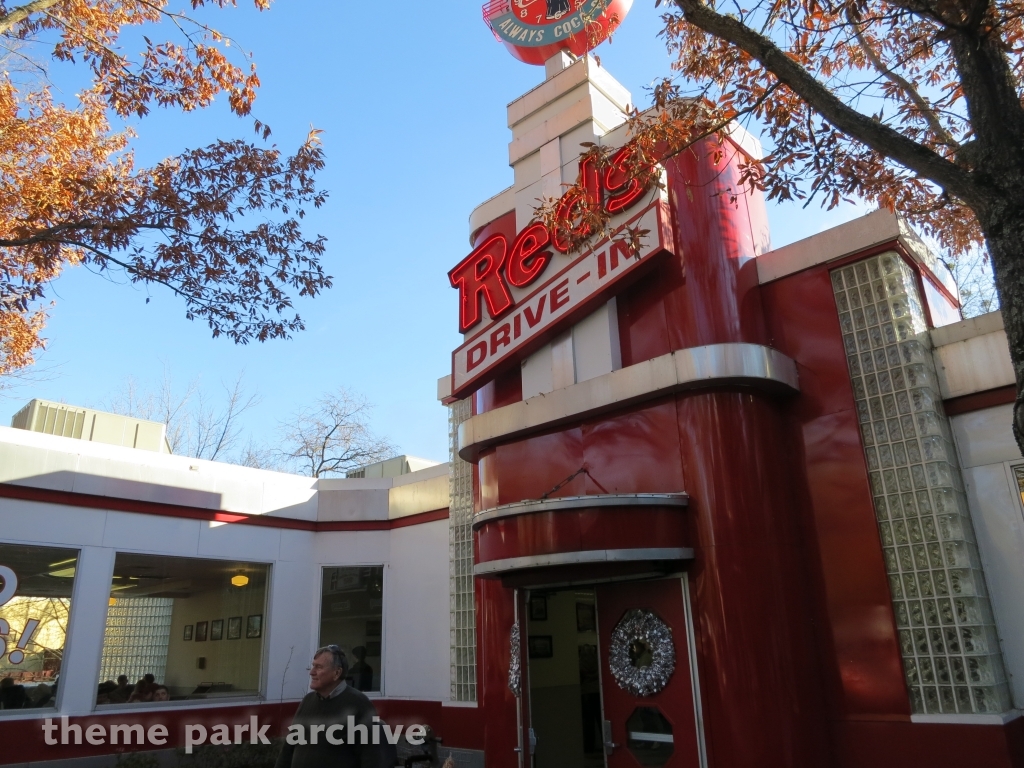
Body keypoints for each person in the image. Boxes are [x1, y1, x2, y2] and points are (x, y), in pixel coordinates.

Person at [274, 646, 380, 768]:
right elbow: (289, 748)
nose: (311, 672)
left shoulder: (360, 704)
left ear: (337, 673)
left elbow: (372, 757)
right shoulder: (308, 700)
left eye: (319, 667)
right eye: (313, 666)